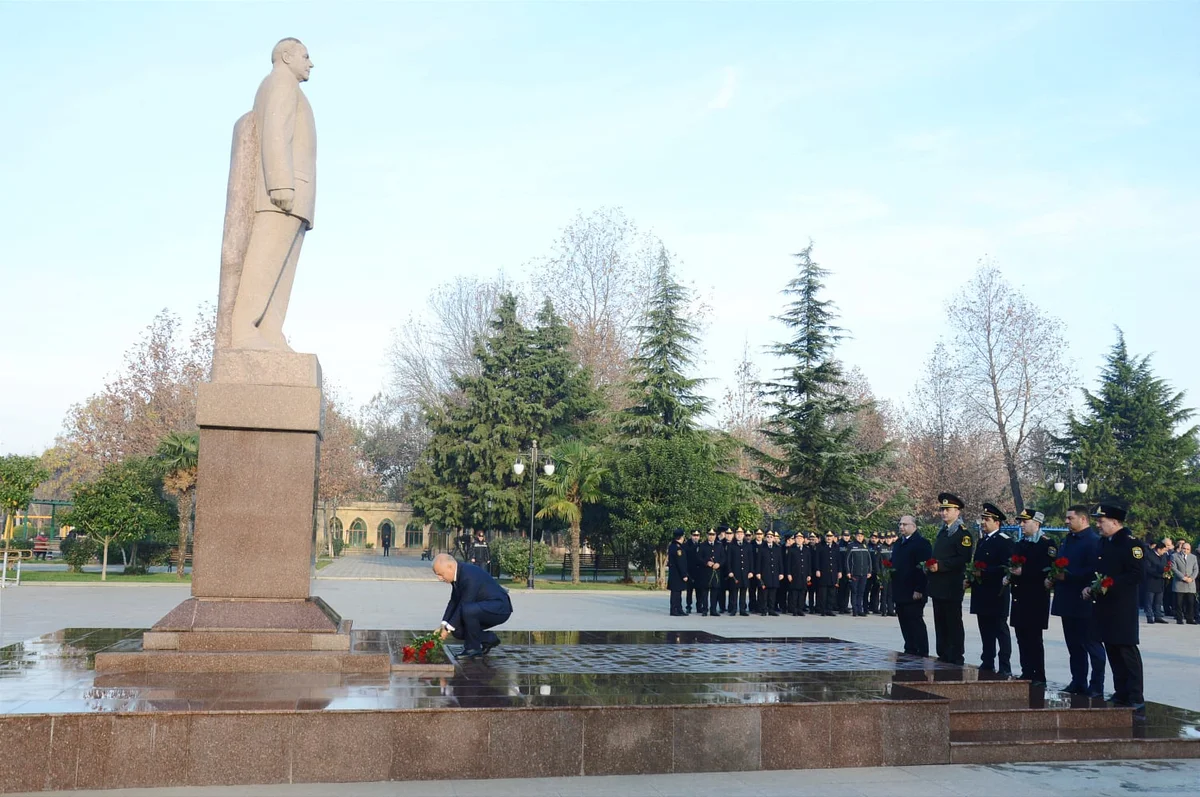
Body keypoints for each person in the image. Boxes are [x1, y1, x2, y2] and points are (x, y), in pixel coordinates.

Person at [1084, 501, 1145, 710]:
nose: (1098, 526)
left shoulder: (1130, 543)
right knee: (1111, 649)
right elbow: (1098, 571)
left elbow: (1136, 574)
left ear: (1115, 522)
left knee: (1126, 651)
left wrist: (1111, 584)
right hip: (1104, 606)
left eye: (1101, 521)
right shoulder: (1104, 543)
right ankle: (1121, 692)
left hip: (1122, 607)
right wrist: (1091, 587)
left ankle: (1136, 696)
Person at [1052, 504, 1106, 697]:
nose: (1066, 521)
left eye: (1070, 518)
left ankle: (1096, 685)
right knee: (1074, 645)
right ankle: (1078, 681)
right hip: (1067, 600)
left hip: (1085, 601)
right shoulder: (1067, 540)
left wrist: (1068, 577)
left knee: (1091, 645)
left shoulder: (1093, 541)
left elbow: (1093, 571)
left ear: (1083, 519)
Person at [433, 553, 512, 658]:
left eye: (440, 574)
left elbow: (465, 603)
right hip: (479, 608)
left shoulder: (469, 575)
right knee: (457, 630)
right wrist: (443, 625)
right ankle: (488, 638)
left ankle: (473, 648)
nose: (440, 578)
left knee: (467, 610)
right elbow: (454, 601)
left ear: (450, 567)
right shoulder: (458, 574)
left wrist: (446, 630)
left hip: (499, 608)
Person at [927, 493, 974, 665]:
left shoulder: (962, 534)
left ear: (957, 512)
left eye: (947, 509)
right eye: (942, 509)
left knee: (952, 621)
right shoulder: (943, 532)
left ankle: (955, 654)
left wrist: (942, 565)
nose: (943, 513)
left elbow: (963, 558)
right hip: (938, 585)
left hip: (951, 585)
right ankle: (943, 652)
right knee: (940, 621)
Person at [1008, 509, 1053, 686]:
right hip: (1020, 597)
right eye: (1021, 521)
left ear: (1036, 523)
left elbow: (1047, 569)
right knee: (1021, 636)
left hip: (1035, 599)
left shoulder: (1046, 544)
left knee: (1034, 638)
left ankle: (1038, 675)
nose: (1021, 525)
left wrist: (1024, 571)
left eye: (1025, 521)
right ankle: (1026, 671)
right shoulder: (1021, 543)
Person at [970, 503, 1014, 676]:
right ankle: (987, 661)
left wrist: (985, 572)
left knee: (1000, 630)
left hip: (997, 592)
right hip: (981, 592)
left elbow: (1006, 566)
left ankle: (1004, 665)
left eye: (986, 519)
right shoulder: (982, 540)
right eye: (982, 519)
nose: (983, 522)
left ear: (997, 522)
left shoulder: (1005, 541)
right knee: (985, 629)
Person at [892, 515, 932, 656]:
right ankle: (909, 648)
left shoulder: (921, 543)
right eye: (900, 524)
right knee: (904, 621)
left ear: (914, 526)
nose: (901, 527)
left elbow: (924, 569)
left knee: (915, 622)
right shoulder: (898, 543)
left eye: (905, 524)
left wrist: (919, 589)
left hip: (914, 592)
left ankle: (922, 651)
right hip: (900, 590)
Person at [845, 530, 874, 617]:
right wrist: (848, 572)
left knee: (861, 592)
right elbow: (847, 560)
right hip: (854, 573)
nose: (860, 537)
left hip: (864, 573)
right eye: (858, 536)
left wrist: (869, 571)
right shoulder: (851, 546)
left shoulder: (865, 546)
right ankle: (855, 610)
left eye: (861, 536)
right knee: (854, 591)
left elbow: (869, 560)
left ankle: (860, 609)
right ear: (855, 536)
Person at [813, 531, 842, 617]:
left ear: (833, 537)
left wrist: (839, 571)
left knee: (831, 593)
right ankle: (823, 610)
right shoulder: (820, 546)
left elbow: (838, 560)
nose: (829, 538)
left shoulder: (836, 546)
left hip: (833, 573)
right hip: (823, 572)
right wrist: (817, 569)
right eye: (827, 536)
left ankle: (829, 609)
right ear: (825, 537)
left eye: (831, 536)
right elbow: (816, 559)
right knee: (823, 593)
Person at [726, 527, 752, 616]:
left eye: (741, 534)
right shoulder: (731, 545)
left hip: (745, 572)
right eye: (737, 534)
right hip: (735, 572)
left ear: (743, 535)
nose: (739, 535)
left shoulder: (748, 545)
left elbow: (750, 560)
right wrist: (729, 571)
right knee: (734, 592)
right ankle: (733, 609)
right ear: (735, 535)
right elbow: (728, 560)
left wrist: (751, 571)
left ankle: (742, 610)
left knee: (743, 591)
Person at [757, 531, 783, 616]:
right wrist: (758, 572)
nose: (769, 538)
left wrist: (781, 573)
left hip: (774, 573)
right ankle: (764, 609)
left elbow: (780, 562)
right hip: (765, 573)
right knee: (764, 593)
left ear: (773, 538)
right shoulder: (762, 548)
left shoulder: (777, 548)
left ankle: (771, 609)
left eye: (771, 537)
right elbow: (758, 561)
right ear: (765, 538)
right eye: (767, 537)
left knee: (772, 593)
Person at [1142, 539, 1168, 624]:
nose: (1164, 552)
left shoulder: (1164, 556)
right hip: (1151, 581)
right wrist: (1159, 574)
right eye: (1163, 550)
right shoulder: (1149, 555)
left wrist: (1167, 572)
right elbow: (1148, 569)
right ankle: (1149, 616)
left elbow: (1166, 566)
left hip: (1160, 582)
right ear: (1159, 549)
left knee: (1158, 601)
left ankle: (1158, 616)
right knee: (1149, 601)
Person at [785, 533, 811, 616]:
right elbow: (788, 563)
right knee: (794, 593)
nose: (799, 540)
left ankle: (800, 609)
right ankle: (794, 609)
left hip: (804, 574)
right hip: (794, 574)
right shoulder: (791, 549)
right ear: (795, 539)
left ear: (803, 539)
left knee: (802, 592)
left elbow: (809, 563)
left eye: (801, 538)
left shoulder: (806, 549)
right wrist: (789, 574)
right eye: (797, 538)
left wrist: (809, 574)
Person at [1171, 541, 1197, 625]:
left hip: (1190, 584)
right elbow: (1174, 568)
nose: (1185, 550)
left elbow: (1196, 569)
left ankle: (1190, 618)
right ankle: (1179, 619)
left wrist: (1192, 578)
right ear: (1181, 548)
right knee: (1179, 603)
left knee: (1190, 602)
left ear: (1190, 550)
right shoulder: (1174, 556)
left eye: (1187, 549)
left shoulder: (1193, 557)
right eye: (1184, 548)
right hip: (1179, 583)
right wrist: (1183, 577)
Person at [667, 529, 689, 616]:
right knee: (675, 593)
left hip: (675, 573)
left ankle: (679, 608)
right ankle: (674, 609)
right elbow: (680, 562)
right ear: (681, 537)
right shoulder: (677, 548)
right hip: (677, 574)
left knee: (678, 592)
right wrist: (684, 574)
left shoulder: (673, 546)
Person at [877, 532, 896, 617]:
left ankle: (891, 610)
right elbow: (877, 562)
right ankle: (883, 610)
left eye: (890, 538)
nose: (888, 539)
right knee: (884, 593)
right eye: (887, 538)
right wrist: (879, 573)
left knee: (891, 593)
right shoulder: (880, 548)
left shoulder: (895, 547)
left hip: (892, 573)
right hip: (884, 573)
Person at [684, 530, 702, 614]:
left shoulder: (701, 545)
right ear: (691, 535)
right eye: (694, 535)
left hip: (699, 572)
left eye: (697, 535)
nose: (696, 537)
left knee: (699, 591)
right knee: (689, 591)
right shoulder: (686, 545)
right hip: (690, 571)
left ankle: (699, 606)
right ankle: (688, 606)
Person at [836, 530, 853, 614]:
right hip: (841, 570)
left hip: (849, 570)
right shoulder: (838, 545)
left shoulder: (851, 545)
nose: (846, 537)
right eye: (845, 536)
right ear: (842, 536)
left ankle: (845, 606)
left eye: (848, 536)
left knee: (847, 590)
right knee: (841, 590)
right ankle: (840, 607)